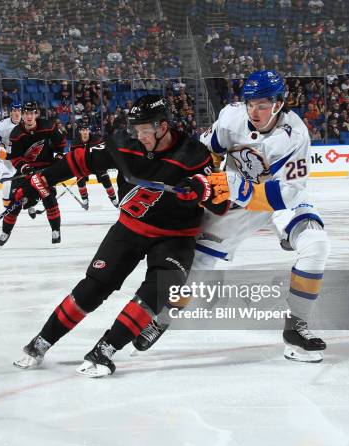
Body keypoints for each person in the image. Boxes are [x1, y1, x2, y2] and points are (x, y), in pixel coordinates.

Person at [12, 95, 228, 377]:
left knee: (160, 288)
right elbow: (80, 161)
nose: (139, 135)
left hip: (176, 235)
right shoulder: (125, 144)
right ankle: (41, 342)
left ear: (163, 126)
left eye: (145, 130)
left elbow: (221, 203)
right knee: (93, 288)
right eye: (135, 129)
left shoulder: (194, 154)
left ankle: (105, 350)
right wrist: (38, 181)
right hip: (130, 228)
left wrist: (202, 188)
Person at [135, 70, 331, 363]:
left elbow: (288, 194)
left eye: (262, 104)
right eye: (250, 103)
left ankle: (296, 328)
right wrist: (205, 179)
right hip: (233, 203)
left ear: (278, 103)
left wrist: (235, 186)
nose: (254, 111)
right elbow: (205, 152)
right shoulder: (231, 118)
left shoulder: (296, 134)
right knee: (198, 266)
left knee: (316, 244)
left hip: (275, 199)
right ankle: (161, 319)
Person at [0, 101, 66, 246]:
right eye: (26, 113)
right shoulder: (16, 133)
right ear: (22, 115)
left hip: (45, 170)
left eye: (32, 113)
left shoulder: (48, 126)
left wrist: (59, 156)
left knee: (48, 196)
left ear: (36, 114)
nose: (29, 116)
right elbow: (15, 157)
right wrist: (25, 167)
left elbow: (60, 143)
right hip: (26, 170)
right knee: (15, 200)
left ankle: (56, 230)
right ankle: (5, 232)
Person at [0, 102, 39, 220]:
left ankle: (29, 204)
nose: (16, 113)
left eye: (19, 111)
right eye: (14, 111)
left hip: (22, 158)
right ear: (11, 112)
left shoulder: (28, 124)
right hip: (7, 159)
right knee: (7, 181)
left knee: (30, 181)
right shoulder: (2, 125)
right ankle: (7, 208)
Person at [72, 120, 118, 209]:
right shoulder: (75, 142)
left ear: (89, 130)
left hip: (97, 164)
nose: (85, 132)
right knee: (80, 179)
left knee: (105, 177)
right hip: (83, 165)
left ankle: (113, 198)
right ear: (80, 131)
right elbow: (72, 157)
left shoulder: (97, 139)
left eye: (86, 130)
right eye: (83, 130)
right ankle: (85, 199)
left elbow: (104, 152)